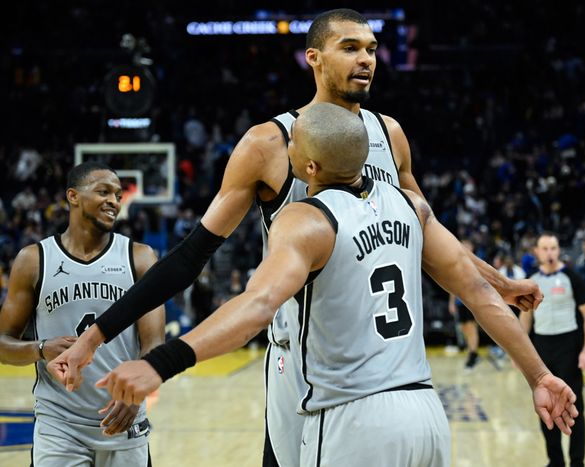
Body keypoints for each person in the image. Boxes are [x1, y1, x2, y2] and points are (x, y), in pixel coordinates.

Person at [47, 9, 542, 467]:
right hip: (299, 358)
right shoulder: (269, 142)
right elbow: (190, 257)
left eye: (371, 49)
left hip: (384, 367)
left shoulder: (389, 134)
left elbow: (429, 236)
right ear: (314, 58)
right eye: (350, 48)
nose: (366, 59)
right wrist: (95, 335)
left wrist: (498, 284)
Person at [0, 161, 165, 466]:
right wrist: (41, 349)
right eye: (104, 192)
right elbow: (2, 343)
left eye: (118, 195)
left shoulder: (140, 258)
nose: (114, 201)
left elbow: (154, 343)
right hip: (58, 425)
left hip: (124, 417)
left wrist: (137, 393)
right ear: (73, 196)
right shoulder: (34, 260)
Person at [519, 233, 585, 467]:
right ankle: (555, 460)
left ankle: (577, 462)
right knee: (546, 406)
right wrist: (520, 354)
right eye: (545, 248)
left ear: (558, 250)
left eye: (553, 248)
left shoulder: (573, 277)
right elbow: (525, 320)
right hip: (542, 348)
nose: (549, 252)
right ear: (537, 252)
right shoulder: (531, 281)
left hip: (569, 347)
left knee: (575, 406)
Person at [448, 239, 480, 370]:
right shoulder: (456, 262)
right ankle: (471, 351)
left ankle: (473, 354)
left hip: (471, 300)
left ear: (472, 248)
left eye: (467, 245)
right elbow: (452, 285)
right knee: (464, 328)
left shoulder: (475, 263)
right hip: (460, 301)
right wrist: (451, 302)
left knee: (471, 328)